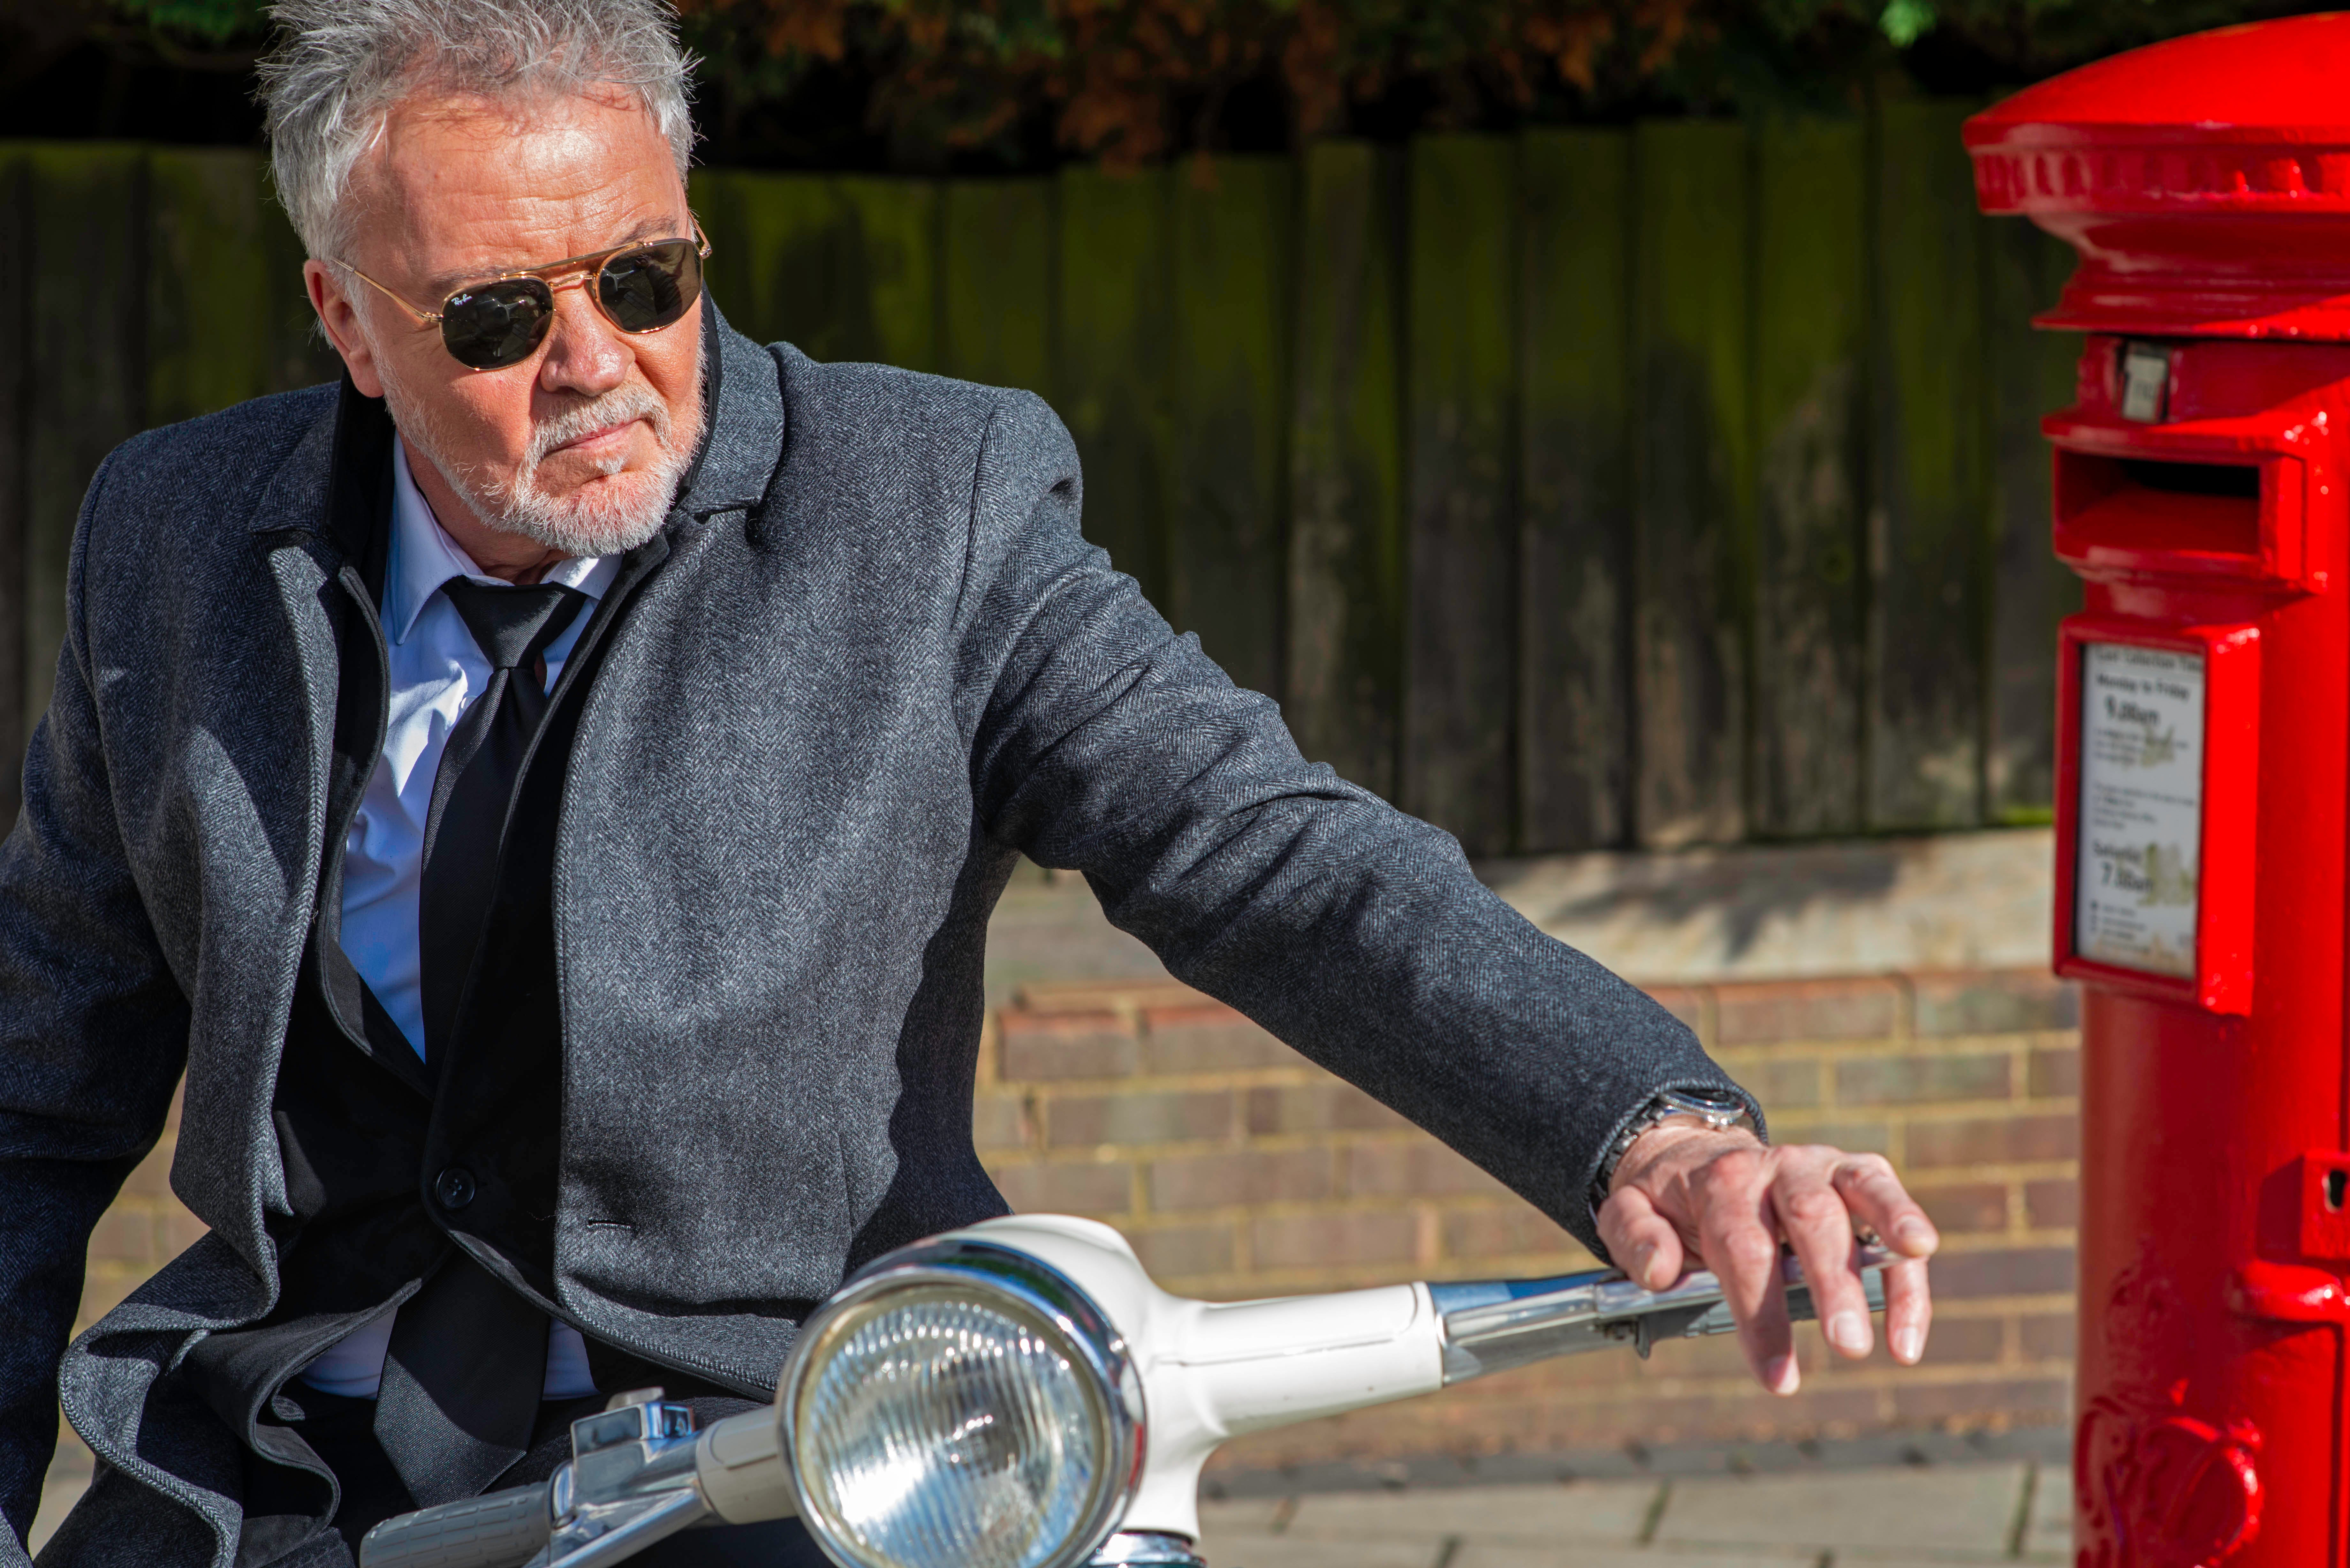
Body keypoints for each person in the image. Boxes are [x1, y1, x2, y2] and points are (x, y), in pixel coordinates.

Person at [0, 2, 1940, 1564]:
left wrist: (1652, 1136)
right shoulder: (175, 538)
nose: (597, 363)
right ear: (348, 321)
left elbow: (1264, 853)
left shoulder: (931, 508)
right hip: (278, 1468)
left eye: (648, 281)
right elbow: (38, 1082)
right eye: (500, 318)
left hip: (811, 1449)